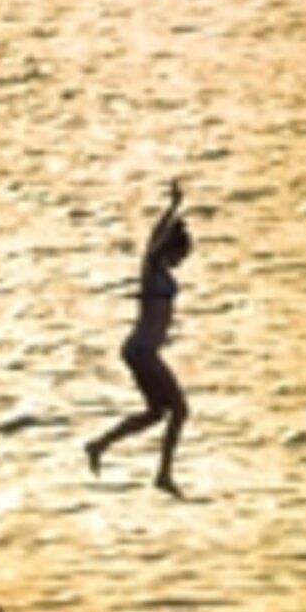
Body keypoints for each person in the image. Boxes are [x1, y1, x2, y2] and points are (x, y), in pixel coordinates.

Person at [87, 178, 191, 493]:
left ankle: (99, 444)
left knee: (157, 413)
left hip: (141, 351)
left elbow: (155, 240)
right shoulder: (152, 269)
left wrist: (173, 206)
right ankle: (163, 476)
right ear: (170, 251)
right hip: (143, 351)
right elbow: (154, 244)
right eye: (180, 256)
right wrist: (172, 210)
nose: (180, 263)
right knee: (180, 410)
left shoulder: (158, 270)